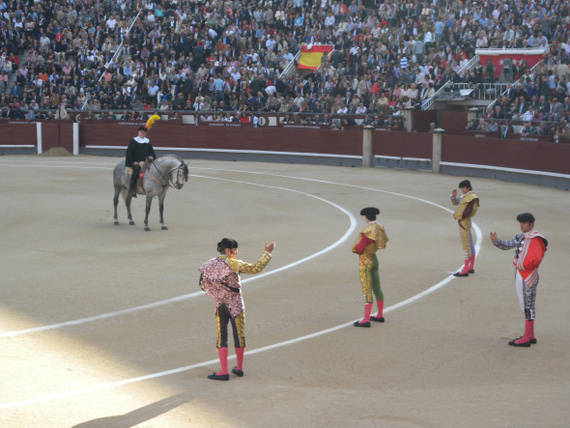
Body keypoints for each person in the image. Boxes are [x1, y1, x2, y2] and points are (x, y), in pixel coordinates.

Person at [199, 238, 276, 380]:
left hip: (220, 304)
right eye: (235, 249)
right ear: (228, 250)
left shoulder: (210, 264)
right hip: (236, 304)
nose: (236, 252)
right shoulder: (233, 263)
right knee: (239, 335)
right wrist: (267, 253)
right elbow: (256, 268)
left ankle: (223, 371)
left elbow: (204, 283)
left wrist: (218, 293)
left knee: (221, 337)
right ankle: (239, 368)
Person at [490, 213, 548, 347]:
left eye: (524, 223)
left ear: (531, 224)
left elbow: (537, 258)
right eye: (520, 223)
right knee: (528, 305)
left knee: (526, 305)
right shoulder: (522, 237)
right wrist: (496, 241)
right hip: (522, 273)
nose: (521, 225)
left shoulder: (537, 239)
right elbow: (507, 245)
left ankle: (527, 337)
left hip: (527, 275)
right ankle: (531, 335)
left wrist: (525, 265)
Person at [352, 207, 389, 327]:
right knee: (377, 287)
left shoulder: (367, 230)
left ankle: (366, 319)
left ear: (366, 217)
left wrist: (355, 249)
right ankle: (379, 314)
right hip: (374, 259)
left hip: (365, 261)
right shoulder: (379, 227)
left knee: (367, 289)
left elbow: (358, 248)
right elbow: (382, 243)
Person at [125, 115, 160, 198]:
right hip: (136, 162)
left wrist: (151, 156)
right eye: (141, 132)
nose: (142, 133)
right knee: (136, 172)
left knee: (154, 171)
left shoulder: (147, 141)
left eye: (144, 132)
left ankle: (151, 189)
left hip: (146, 161)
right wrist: (133, 162)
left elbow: (151, 151)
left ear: (145, 133)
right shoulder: (134, 141)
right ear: (138, 133)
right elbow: (129, 153)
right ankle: (131, 190)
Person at [450, 180, 479, 277]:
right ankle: (470, 267)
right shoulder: (465, 196)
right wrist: (453, 196)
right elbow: (455, 203)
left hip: (464, 222)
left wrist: (462, 217)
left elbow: (470, 211)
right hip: (466, 222)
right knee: (469, 244)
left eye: (464, 188)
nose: (462, 189)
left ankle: (465, 269)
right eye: (461, 188)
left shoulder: (471, 197)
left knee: (466, 245)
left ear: (468, 188)